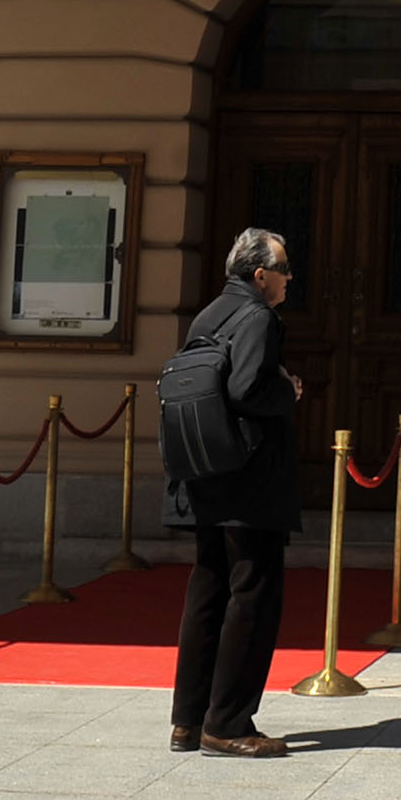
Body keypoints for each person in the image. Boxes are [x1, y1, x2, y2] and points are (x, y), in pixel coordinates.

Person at [166, 228, 301, 761]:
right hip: (249, 479)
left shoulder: (210, 313)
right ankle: (227, 722)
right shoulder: (258, 317)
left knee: (208, 590)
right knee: (254, 593)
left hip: (204, 472)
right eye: (285, 270)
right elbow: (247, 389)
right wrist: (286, 391)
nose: (291, 279)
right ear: (260, 275)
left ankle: (188, 719)